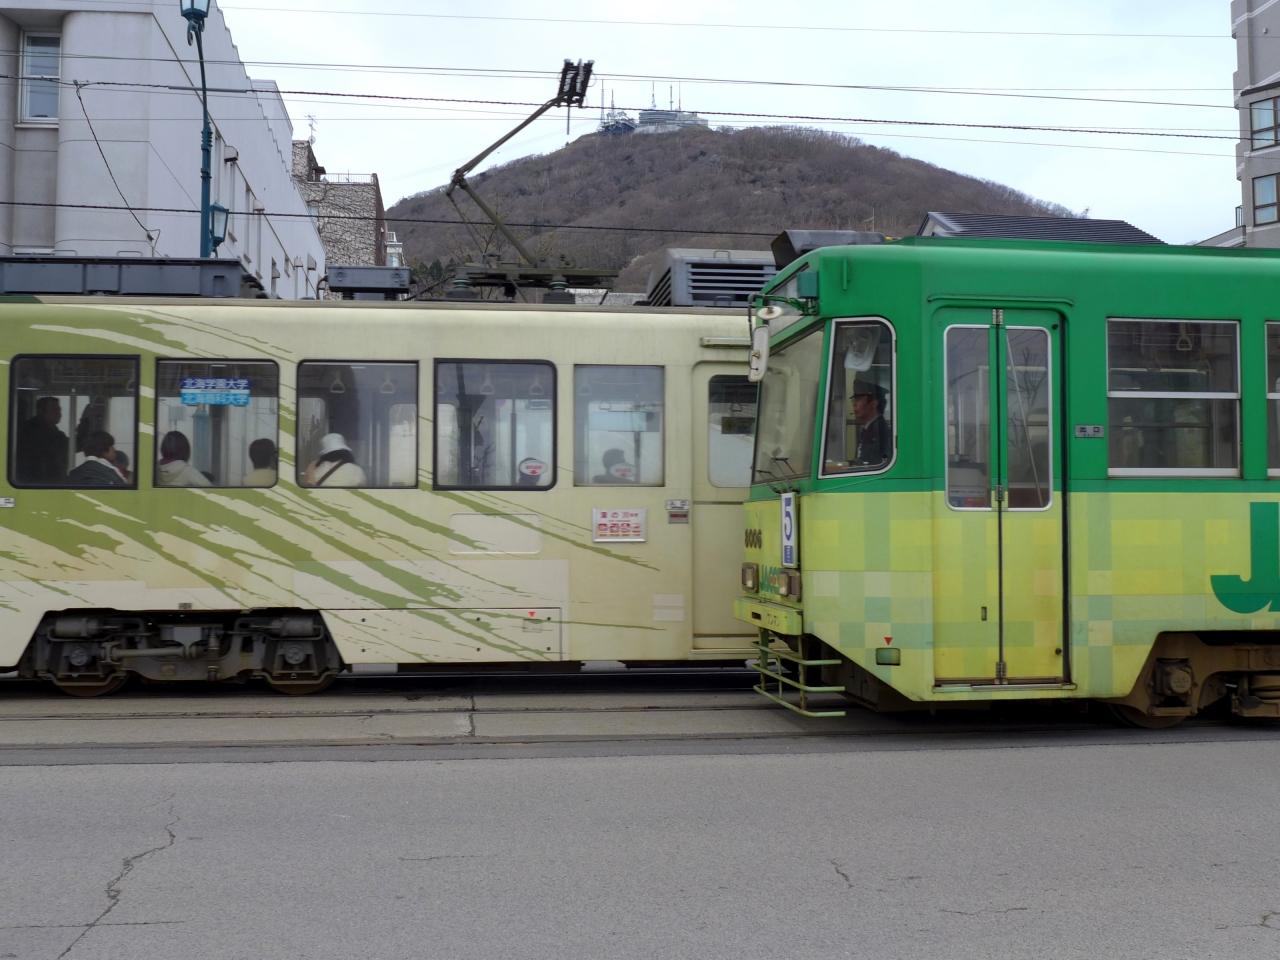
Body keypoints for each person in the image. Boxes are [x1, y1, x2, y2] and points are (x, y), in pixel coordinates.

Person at [16, 396, 69, 483]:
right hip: (36, 483)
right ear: (41, 411)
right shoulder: (29, 432)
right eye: (54, 409)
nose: (59, 413)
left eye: (59, 409)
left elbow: (72, 446)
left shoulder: (56, 434)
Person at [303, 433, 367, 487]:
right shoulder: (356, 470)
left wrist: (310, 468)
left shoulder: (316, 469)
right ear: (346, 452)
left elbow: (308, 485)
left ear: (324, 454)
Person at [851, 381, 891, 466]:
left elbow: (874, 463)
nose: (854, 404)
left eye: (858, 399)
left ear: (873, 404)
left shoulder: (879, 430)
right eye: (854, 400)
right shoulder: (869, 428)